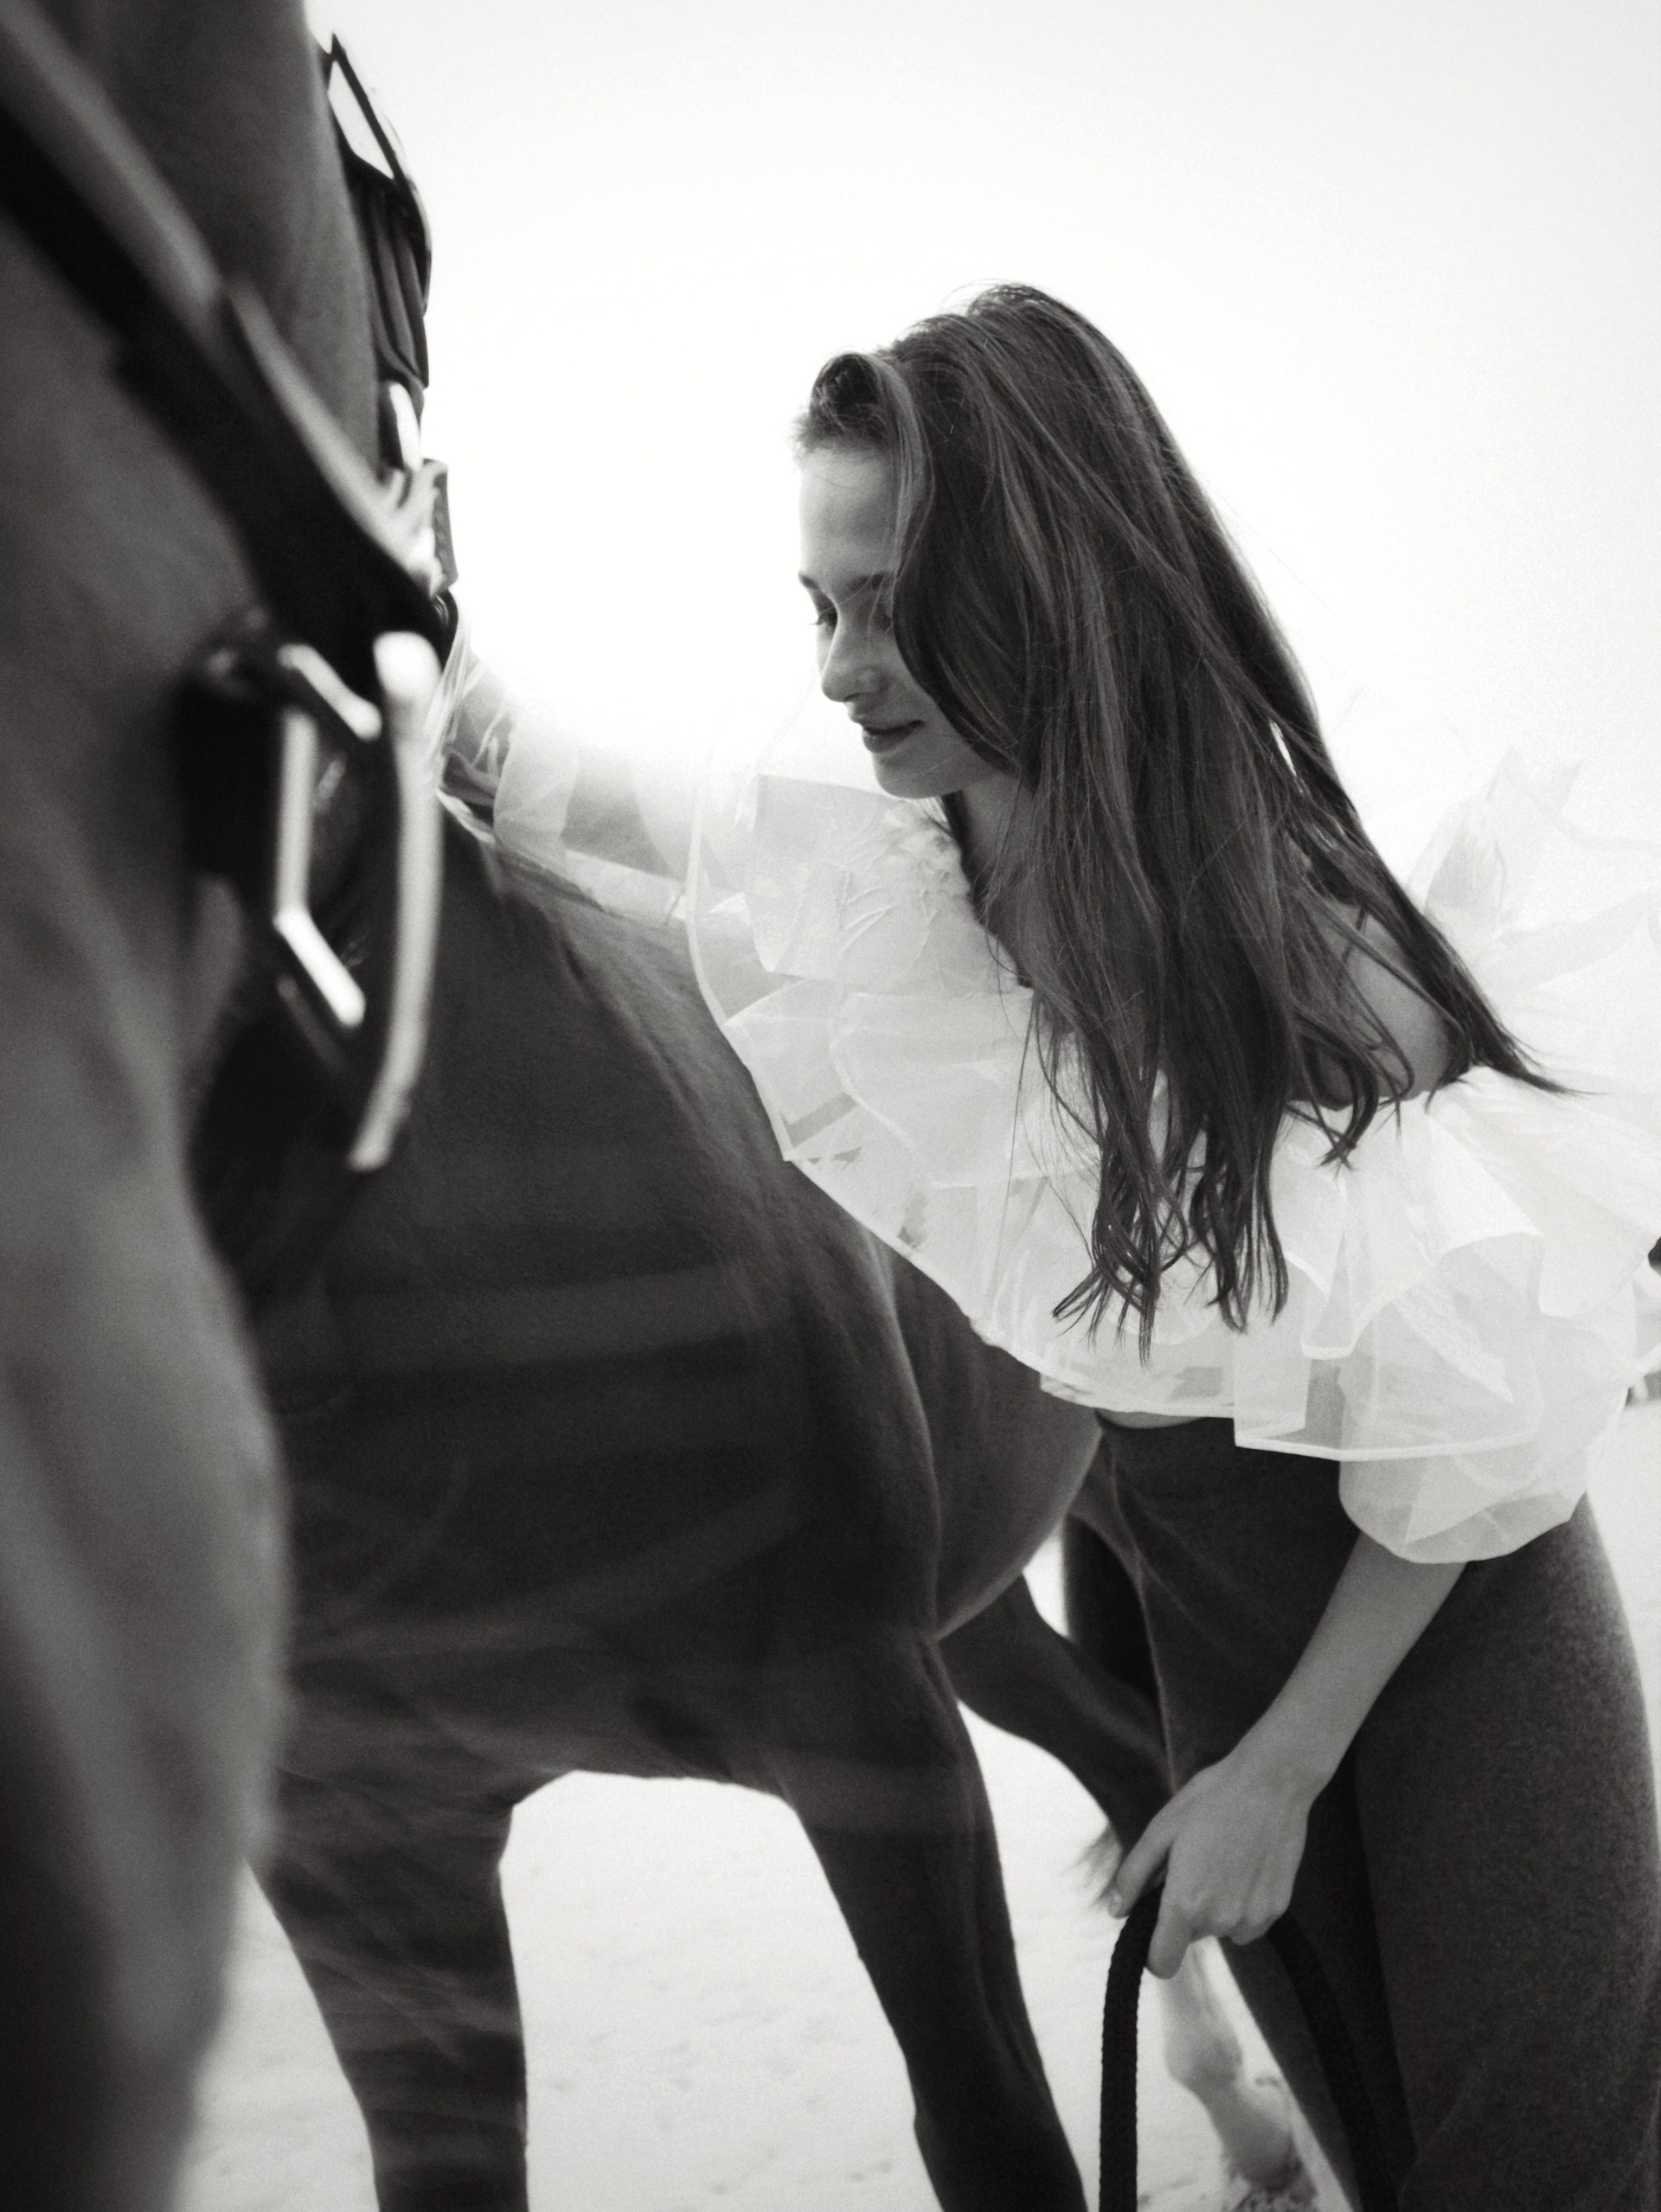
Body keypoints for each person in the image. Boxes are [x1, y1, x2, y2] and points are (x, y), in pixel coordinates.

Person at [436, 285, 1661, 2206]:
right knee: (1383, 2153)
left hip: (1443, 1596)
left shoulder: (1289, 930)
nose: (841, 667)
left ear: (1036, 590)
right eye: (817, 604)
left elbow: (1480, 1409)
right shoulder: (885, 865)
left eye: (886, 604)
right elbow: (540, 769)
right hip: (1210, 1599)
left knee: (1549, 2167)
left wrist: (1276, 1769)